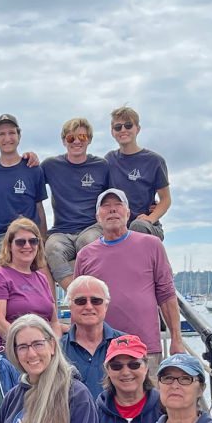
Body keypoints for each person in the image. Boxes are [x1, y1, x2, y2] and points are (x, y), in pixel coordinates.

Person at [73, 188, 186, 362]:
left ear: (128, 213)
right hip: (101, 350)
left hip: (145, 348)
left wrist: (177, 340)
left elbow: (167, 295)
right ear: (97, 217)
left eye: (118, 204)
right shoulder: (85, 255)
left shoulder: (152, 245)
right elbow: (77, 304)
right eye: (106, 206)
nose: (112, 209)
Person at [42, 117, 111, 288]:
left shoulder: (101, 166)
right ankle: (75, 293)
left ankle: (96, 296)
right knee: (51, 249)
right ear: (64, 141)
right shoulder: (50, 165)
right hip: (61, 231)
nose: (77, 142)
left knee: (87, 243)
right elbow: (26, 179)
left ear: (90, 139)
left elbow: (114, 197)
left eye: (82, 137)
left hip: (92, 227)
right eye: (71, 138)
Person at [0, 114, 47, 265]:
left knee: (43, 272)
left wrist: (43, 240)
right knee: (3, 271)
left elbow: (39, 208)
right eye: (1, 134)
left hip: (28, 236)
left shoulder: (33, 169)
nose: (7, 138)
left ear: (19, 135)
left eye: (11, 133)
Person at [0, 218, 57, 352]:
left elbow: (54, 322)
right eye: (20, 242)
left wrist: (54, 349)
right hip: (11, 353)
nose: (27, 246)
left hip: (44, 353)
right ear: (9, 246)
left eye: (33, 241)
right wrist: (26, 347)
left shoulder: (42, 278)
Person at [104, 106, 170, 239]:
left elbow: (165, 199)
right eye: (118, 127)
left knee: (137, 227)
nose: (123, 130)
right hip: (117, 224)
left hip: (144, 226)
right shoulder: (109, 160)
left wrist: (151, 218)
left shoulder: (154, 161)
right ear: (112, 132)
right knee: (93, 234)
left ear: (137, 129)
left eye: (128, 125)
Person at [60, 275, 124, 399]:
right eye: (80, 301)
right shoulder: (57, 350)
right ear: (70, 306)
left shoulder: (126, 344)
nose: (89, 306)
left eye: (96, 301)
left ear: (106, 306)